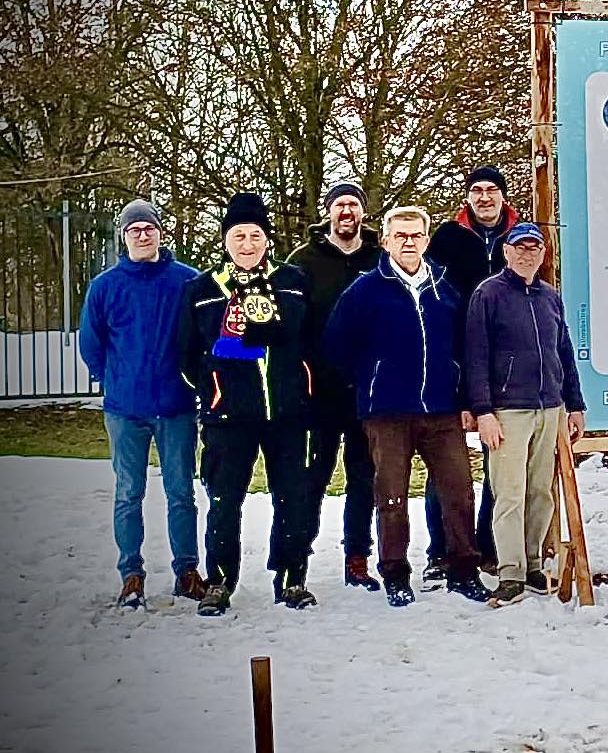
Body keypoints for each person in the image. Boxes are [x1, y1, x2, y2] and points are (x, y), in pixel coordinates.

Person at [320, 206, 491, 606]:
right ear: (386, 241)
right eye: (400, 235)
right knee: (392, 496)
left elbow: (464, 350)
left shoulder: (444, 290)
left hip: (442, 408)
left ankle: (463, 568)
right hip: (387, 413)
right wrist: (368, 382)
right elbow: (335, 345)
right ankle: (395, 572)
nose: (409, 242)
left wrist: (464, 398)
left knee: (458, 491)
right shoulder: (365, 290)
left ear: (426, 241)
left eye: (416, 235)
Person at [175, 193, 316, 616]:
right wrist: (212, 393)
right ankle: (219, 580)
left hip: (288, 415)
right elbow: (185, 356)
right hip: (228, 418)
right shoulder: (202, 290)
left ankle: (292, 578)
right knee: (224, 499)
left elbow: (311, 341)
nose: (248, 244)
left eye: (256, 235)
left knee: (293, 496)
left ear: (268, 240)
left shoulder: (293, 281)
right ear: (225, 241)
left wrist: (302, 386)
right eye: (239, 235)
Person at [79, 199, 204, 609]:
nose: (142, 234)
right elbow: (91, 345)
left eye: (149, 227)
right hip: (125, 409)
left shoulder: (188, 282)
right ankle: (131, 573)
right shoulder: (105, 287)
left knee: (181, 492)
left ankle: (187, 571)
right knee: (128, 492)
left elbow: (203, 339)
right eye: (134, 229)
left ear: (160, 233)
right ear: (124, 236)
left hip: (176, 406)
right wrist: (115, 381)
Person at [466, 222, 587, 603]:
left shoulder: (550, 297)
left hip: (549, 408)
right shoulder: (489, 294)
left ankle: (534, 564)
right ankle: (511, 572)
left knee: (541, 493)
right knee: (509, 493)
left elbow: (563, 352)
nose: (526, 253)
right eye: (519, 247)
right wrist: (483, 411)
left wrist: (575, 404)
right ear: (506, 252)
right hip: (507, 411)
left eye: (534, 247)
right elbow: (476, 355)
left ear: (543, 252)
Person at [423, 166, 519, 584]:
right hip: (454, 357)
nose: (484, 197)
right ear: (468, 198)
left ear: (502, 196)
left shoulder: (520, 237)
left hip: (506, 362)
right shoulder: (447, 238)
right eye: (476, 191)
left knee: (500, 462)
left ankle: (489, 546)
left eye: (491, 190)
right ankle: (441, 549)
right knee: (446, 465)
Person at [286, 180, 381, 592]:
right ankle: (297, 560)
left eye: (353, 205)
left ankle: (357, 558)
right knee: (313, 478)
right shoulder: (302, 261)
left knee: (364, 479)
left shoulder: (380, 259)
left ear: (363, 213)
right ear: (329, 212)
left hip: (367, 393)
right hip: (318, 392)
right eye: (339, 204)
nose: (346, 212)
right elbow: (292, 325)